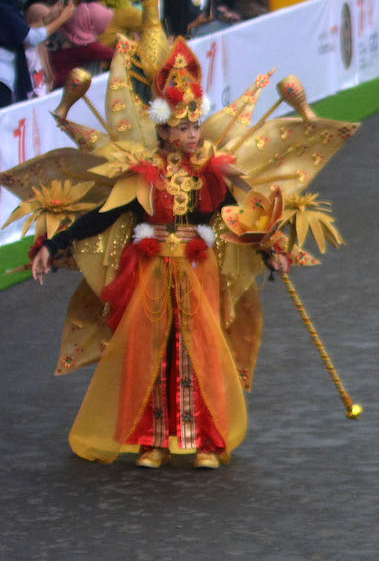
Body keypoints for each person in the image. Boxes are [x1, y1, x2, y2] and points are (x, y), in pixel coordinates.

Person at [11, 36, 355, 467]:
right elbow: (101, 215)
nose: (192, 134)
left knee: (200, 348)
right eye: (182, 127)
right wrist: (52, 245)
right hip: (151, 267)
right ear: (162, 130)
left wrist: (272, 249)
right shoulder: (145, 173)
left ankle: (206, 441)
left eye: (195, 126)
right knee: (147, 347)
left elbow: (238, 217)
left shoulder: (212, 172)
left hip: (198, 266)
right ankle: (152, 440)